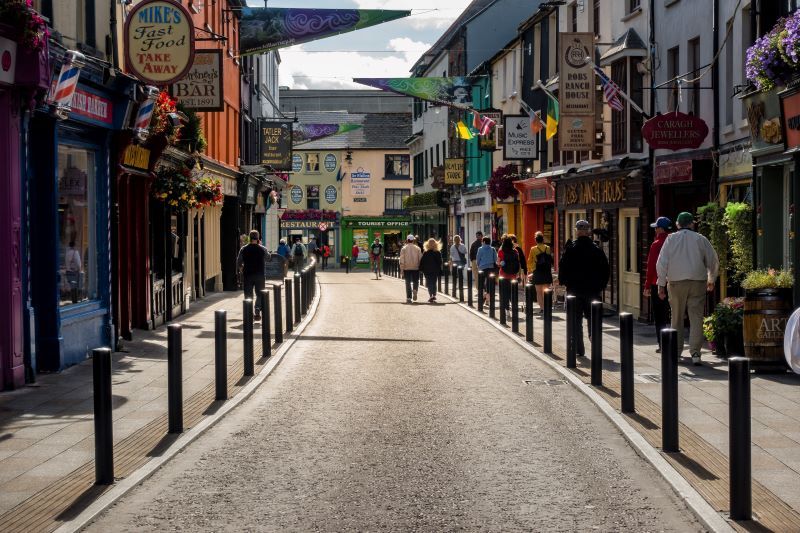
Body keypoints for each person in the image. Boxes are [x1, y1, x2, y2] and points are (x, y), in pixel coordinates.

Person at [656, 212, 719, 366]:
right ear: (692, 224)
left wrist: (661, 284)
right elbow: (713, 260)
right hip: (697, 281)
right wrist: (711, 279)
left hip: (676, 281)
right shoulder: (700, 239)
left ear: (677, 224)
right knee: (696, 317)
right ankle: (696, 353)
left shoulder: (671, 239)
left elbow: (662, 262)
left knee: (676, 317)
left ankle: (676, 352)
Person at [558, 220, 610, 357]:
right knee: (593, 318)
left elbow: (563, 268)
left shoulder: (570, 249)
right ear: (588, 231)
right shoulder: (596, 249)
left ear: (576, 231)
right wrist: (601, 285)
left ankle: (578, 349)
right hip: (592, 290)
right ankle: (595, 343)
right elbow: (605, 269)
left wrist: (564, 282)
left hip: (574, 290)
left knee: (576, 320)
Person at [644, 217, 672, 353]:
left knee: (660, 316)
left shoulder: (656, 244)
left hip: (657, 283)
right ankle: (674, 344)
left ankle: (662, 344)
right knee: (674, 314)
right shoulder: (674, 241)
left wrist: (647, 285)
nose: (655, 230)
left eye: (656, 228)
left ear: (661, 229)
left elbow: (651, 266)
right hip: (673, 282)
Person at [236, 230, 269, 320]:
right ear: (258, 238)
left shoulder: (244, 249)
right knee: (259, 294)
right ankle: (257, 309)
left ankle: (248, 313)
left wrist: (241, 269)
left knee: (248, 294)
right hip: (260, 275)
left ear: (250, 238)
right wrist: (261, 245)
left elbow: (239, 261)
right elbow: (268, 258)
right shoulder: (262, 249)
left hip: (248, 275)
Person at [527, 231, 553, 315]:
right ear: (543, 240)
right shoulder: (547, 248)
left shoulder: (533, 249)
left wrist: (530, 270)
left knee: (538, 292)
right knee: (546, 291)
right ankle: (547, 307)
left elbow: (529, 261)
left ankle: (542, 308)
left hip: (537, 272)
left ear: (536, 240)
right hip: (546, 271)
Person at [497, 236, 521, 309]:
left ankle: (506, 309)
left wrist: (501, 263)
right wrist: (518, 274)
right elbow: (518, 263)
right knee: (513, 292)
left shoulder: (501, 251)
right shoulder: (515, 251)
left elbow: (498, 263)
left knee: (504, 293)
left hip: (503, 275)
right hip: (513, 275)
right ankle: (514, 308)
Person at [399, 234, 422, 302]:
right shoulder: (418, 248)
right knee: (416, 281)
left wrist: (401, 269)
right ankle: (415, 289)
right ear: (413, 240)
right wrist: (420, 267)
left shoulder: (404, 248)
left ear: (407, 240)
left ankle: (409, 297)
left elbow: (402, 259)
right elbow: (420, 258)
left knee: (407, 282)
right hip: (416, 267)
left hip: (406, 268)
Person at [419, 238, 443, 303]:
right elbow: (440, 262)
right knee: (434, 282)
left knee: (429, 283)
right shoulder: (437, 252)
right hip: (435, 270)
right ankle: (434, 295)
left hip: (427, 270)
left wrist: (421, 269)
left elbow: (422, 262)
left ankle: (431, 295)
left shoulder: (425, 253)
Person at [476, 235, 498, 303]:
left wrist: (478, 265)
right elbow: (495, 259)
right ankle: (488, 298)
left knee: (482, 283)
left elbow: (478, 259)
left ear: (484, 242)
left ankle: (483, 295)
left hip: (482, 268)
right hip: (491, 268)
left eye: (482, 241)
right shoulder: (493, 249)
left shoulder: (480, 249)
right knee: (489, 283)